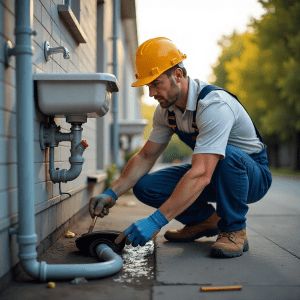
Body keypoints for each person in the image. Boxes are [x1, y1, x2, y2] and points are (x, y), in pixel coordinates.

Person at [89, 37, 272, 258]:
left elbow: (202, 173)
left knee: (227, 156)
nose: (151, 93)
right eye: (148, 86)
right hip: (212, 174)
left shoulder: (213, 105)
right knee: (145, 185)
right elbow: (146, 156)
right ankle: (204, 221)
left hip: (251, 177)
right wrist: (112, 192)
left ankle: (234, 229)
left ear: (177, 75)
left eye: (156, 83)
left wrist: (156, 221)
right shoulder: (166, 111)